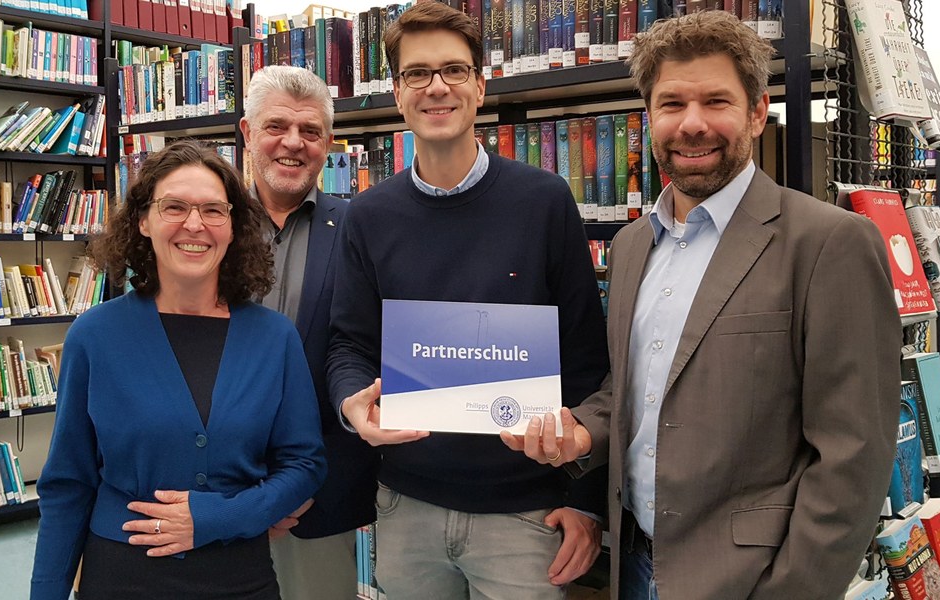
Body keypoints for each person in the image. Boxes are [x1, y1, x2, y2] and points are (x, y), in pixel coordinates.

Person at [502, 10, 901, 600]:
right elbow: (638, 390)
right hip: (632, 564)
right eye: (671, 104)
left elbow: (855, 452)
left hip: (747, 579)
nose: (692, 124)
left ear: (758, 111)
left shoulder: (829, 242)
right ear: (649, 117)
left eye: (716, 101)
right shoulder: (634, 244)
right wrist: (582, 431)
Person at [327, 3, 611, 598]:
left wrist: (587, 503)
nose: (437, 87)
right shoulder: (368, 217)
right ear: (398, 94)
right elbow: (349, 343)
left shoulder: (545, 202)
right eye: (417, 73)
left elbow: (588, 359)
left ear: (480, 86)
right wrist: (353, 402)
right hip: (405, 507)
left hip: (526, 514)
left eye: (454, 70)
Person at [30, 140, 327, 600]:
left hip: (240, 575)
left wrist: (223, 516)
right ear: (143, 221)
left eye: (213, 210)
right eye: (175, 207)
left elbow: (304, 464)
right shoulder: (94, 336)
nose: (195, 224)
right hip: (123, 577)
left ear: (233, 228)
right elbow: (68, 482)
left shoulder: (274, 337)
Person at [239, 65, 379, 600]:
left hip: (318, 496)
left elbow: (363, 355)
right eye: (276, 127)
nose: (292, 144)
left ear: (328, 143)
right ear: (248, 133)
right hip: (212, 486)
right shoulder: (204, 227)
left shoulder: (361, 228)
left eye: (311, 131)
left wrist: (292, 484)